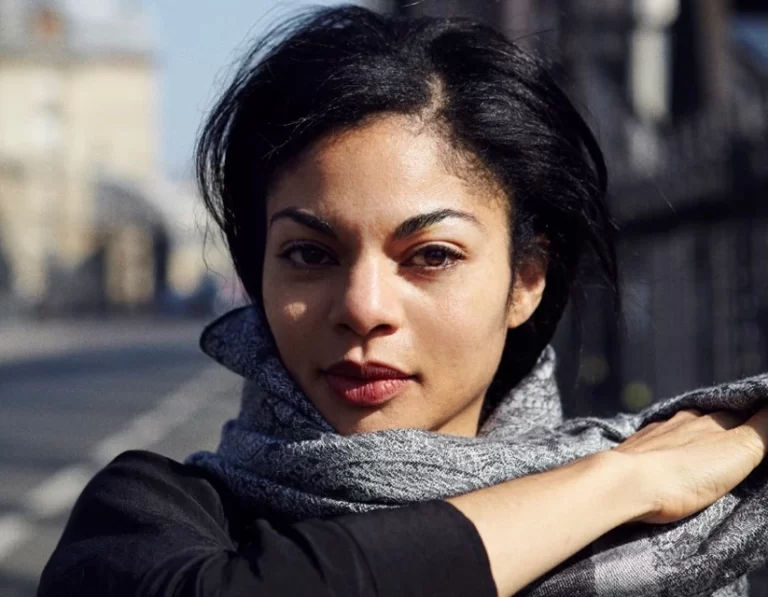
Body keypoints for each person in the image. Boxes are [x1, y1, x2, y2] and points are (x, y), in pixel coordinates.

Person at [38, 6, 768, 597]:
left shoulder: (668, 549)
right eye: (310, 255)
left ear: (527, 280)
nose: (362, 306)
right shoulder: (147, 521)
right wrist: (611, 483)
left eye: (431, 257)